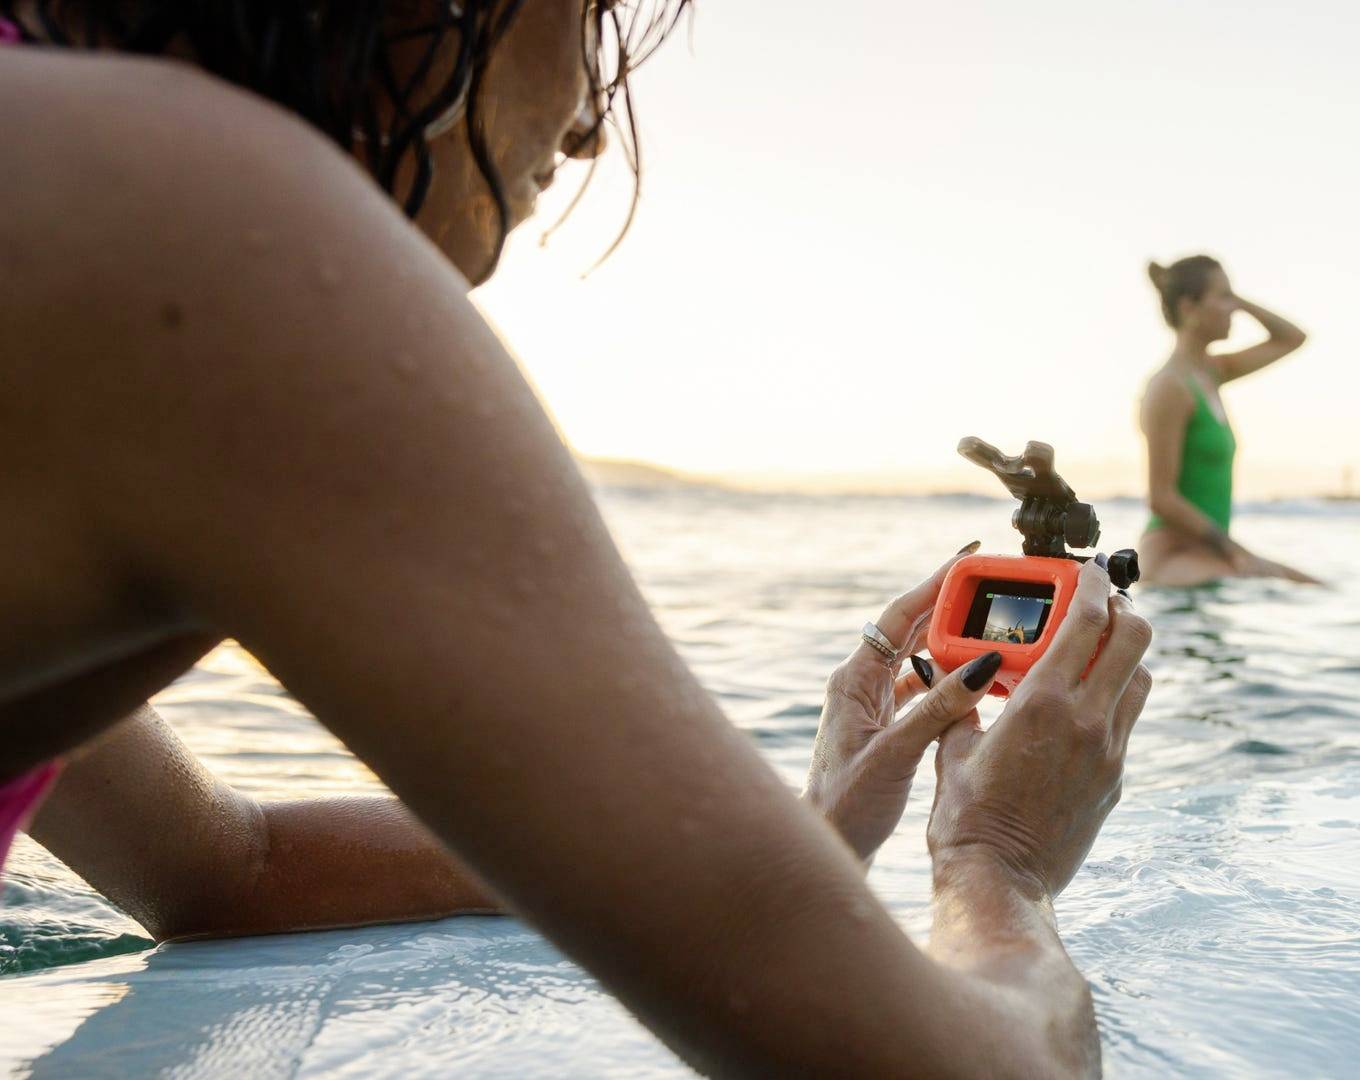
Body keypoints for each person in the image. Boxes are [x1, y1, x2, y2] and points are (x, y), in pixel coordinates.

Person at [0, 2, 1155, 1075]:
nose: (594, 121)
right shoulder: (209, 224)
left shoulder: (68, 163)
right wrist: (998, 864)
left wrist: (785, 844)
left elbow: (219, 871)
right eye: (588, 13)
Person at [1135, 255, 1322, 587]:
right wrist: (1236, 551)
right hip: (1172, 557)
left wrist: (1239, 300)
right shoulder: (1169, 387)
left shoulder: (1212, 372)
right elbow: (1161, 498)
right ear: (1189, 307)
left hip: (1210, 553)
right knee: (1272, 587)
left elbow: (1292, 338)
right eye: (1222, 297)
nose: (1232, 308)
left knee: (1317, 589)